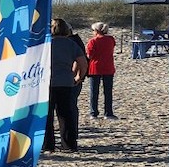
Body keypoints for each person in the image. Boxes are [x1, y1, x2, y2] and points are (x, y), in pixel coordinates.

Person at [45, 17, 88, 152]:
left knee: (47, 115)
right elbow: (83, 62)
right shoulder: (71, 44)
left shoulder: (46, 44)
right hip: (66, 83)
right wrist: (79, 77)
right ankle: (68, 144)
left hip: (48, 83)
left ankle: (48, 145)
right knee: (66, 115)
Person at [87, 22, 118, 119]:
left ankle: (93, 112)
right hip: (108, 67)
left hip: (95, 67)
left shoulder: (93, 41)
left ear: (96, 31)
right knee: (108, 91)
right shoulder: (111, 39)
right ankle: (108, 112)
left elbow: (89, 55)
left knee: (94, 91)